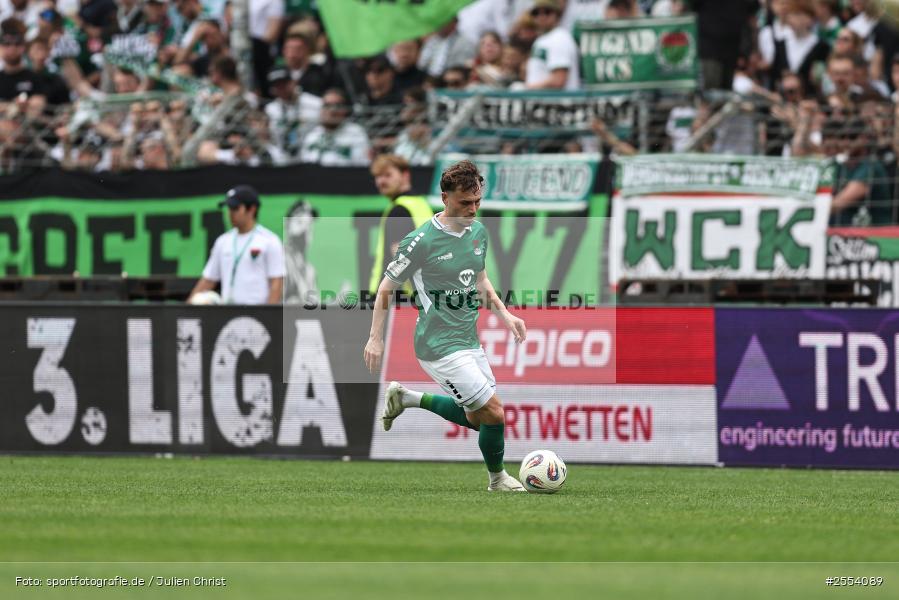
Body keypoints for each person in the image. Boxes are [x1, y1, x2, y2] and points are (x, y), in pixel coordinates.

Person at [363, 160, 528, 492]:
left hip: (468, 339)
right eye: (465, 202)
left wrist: (505, 313)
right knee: (494, 414)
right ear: (445, 198)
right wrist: (374, 339)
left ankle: (406, 398)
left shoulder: (477, 232)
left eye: (477, 201)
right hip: (437, 344)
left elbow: (480, 280)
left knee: (476, 417)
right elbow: (386, 288)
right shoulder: (420, 241)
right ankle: (498, 480)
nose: (473, 209)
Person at [189, 185, 286, 304]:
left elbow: (276, 283)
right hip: (227, 314)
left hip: (258, 316)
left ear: (252, 209)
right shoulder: (222, 241)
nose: (230, 213)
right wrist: (186, 309)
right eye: (229, 209)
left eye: (235, 208)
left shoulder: (269, 241)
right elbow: (208, 279)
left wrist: (269, 316)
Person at [367, 154, 433, 296]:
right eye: (378, 176)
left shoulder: (399, 210)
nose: (381, 181)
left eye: (387, 175)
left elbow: (401, 259)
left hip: (392, 299)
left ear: (405, 175)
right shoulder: (421, 204)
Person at [524, 0, 580, 90]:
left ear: (557, 15)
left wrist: (527, 89)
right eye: (536, 13)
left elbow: (558, 80)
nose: (541, 17)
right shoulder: (542, 39)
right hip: (542, 101)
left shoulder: (560, 38)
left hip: (559, 102)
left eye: (547, 12)